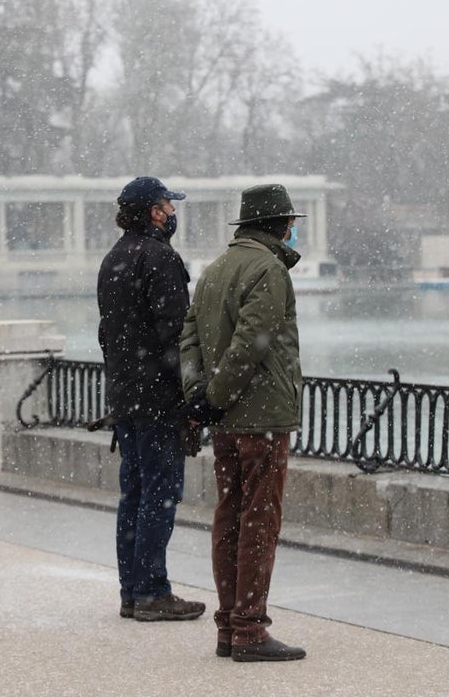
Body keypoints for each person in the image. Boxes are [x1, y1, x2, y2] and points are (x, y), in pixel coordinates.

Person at [180, 182, 307, 662]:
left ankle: (228, 626)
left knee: (229, 517)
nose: (293, 229)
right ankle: (250, 630)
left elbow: (188, 339)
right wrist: (214, 397)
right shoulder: (269, 270)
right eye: (290, 222)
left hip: (227, 422)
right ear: (276, 225)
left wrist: (199, 398)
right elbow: (251, 345)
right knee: (259, 519)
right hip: (262, 418)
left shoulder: (215, 270)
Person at [97, 175, 206, 623]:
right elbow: (176, 336)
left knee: (134, 495)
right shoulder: (160, 258)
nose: (173, 211)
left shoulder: (113, 258)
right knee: (159, 496)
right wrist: (192, 399)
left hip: (126, 397)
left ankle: (131, 590)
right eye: (167, 204)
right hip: (159, 399)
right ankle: (151, 592)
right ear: (154, 212)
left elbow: (109, 334)